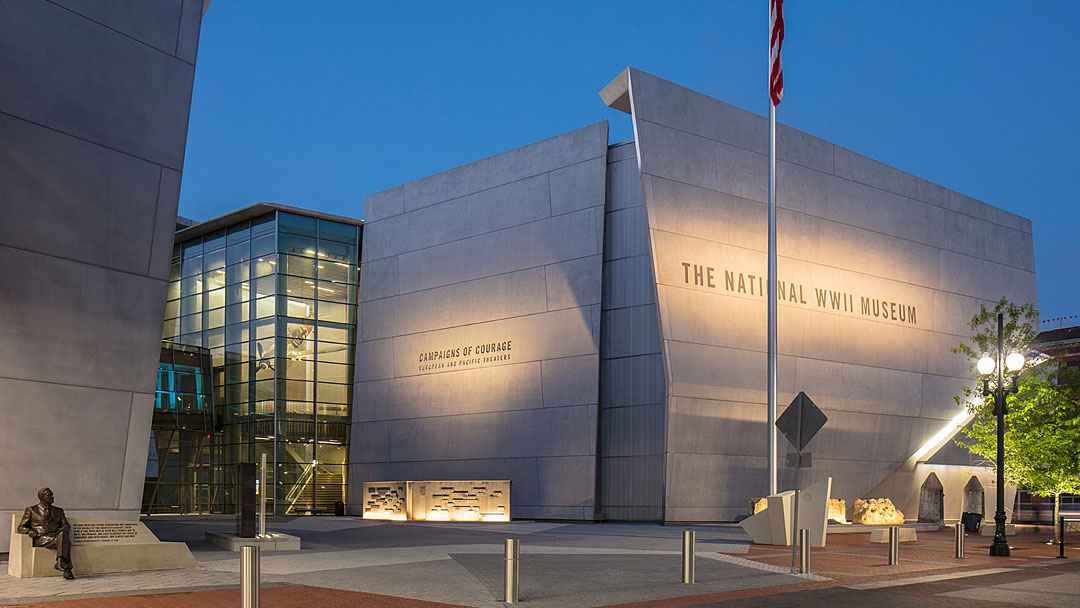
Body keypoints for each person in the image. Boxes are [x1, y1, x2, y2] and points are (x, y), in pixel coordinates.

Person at [17, 487, 74, 579]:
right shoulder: (31, 510)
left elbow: (66, 525)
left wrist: (63, 529)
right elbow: (20, 527)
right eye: (49, 495)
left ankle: (60, 562)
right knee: (66, 542)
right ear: (42, 497)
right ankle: (67, 569)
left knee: (63, 537)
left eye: (52, 494)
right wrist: (29, 531)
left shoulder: (58, 511)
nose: (52, 497)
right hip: (41, 538)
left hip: (56, 537)